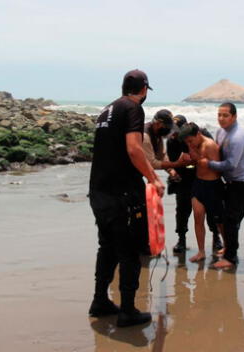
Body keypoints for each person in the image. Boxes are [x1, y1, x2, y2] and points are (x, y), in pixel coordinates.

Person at [88, 69, 165, 328]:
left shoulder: (106, 111)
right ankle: (128, 310)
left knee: (107, 247)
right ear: (143, 89)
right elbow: (134, 149)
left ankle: (100, 301)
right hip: (122, 196)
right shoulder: (133, 109)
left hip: (99, 193)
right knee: (130, 251)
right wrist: (153, 178)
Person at [199, 102, 244, 269]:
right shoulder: (220, 131)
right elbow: (218, 154)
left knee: (232, 220)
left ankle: (231, 258)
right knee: (224, 217)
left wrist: (208, 164)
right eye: (219, 115)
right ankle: (229, 249)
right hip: (228, 182)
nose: (221, 118)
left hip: (241, 182)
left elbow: (231, 164)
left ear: (234, 116)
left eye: (225, 115)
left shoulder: (238, 136)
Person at [166, 115, 223, 254]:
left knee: (211, 211)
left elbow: (215, 156)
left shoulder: (202, 134)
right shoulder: (172, 140)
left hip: (202, 177)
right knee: (182, 210)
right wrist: (174, 169)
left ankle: (216, 238)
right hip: (183, 179)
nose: (175, 134)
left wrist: (196, 159)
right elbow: (171, 160)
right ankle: (181, 239)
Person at [179, 122, 226, 263]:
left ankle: (228, 246)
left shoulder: (209, 145)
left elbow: (217, 168)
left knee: (219, 221)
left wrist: (197, 159)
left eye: (191, 141)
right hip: (198, 184)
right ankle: (201, 252)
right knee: (198, 217)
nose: (189, 144)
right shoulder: (192, 143)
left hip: (213, 185)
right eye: (187, 142)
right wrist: (190, 161)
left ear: (198, 134)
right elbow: (197, 162)